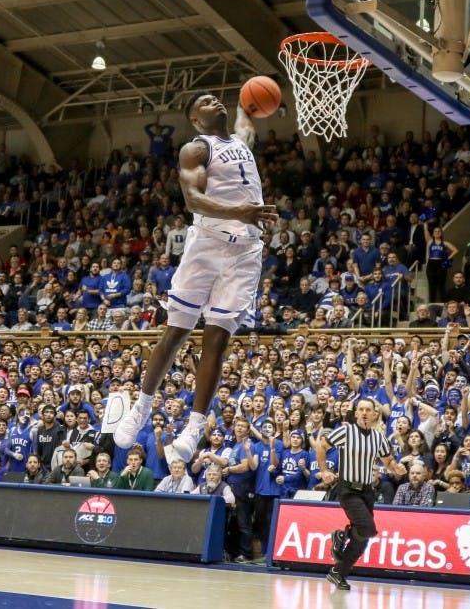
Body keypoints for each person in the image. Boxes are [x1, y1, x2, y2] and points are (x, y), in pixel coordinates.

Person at [114, 88, 278, 463]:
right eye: (204, 103)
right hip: (207, 244)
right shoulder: (195, 149)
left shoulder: (240, 139)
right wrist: (242, 210)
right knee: (177, 331)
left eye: (216, 99)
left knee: (217, 340)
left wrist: (254, 97)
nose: (214, 102)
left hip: (246, 250)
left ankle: (193, 426)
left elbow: (245, 118)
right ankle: (141, 406)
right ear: (194, 119)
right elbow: (193, 199)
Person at [315, 399, 406, 591]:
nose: (364, 413)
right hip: (348, 489)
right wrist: (324, 470)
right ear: (356, 414)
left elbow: (388, 460)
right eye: (361, 410)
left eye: (368, 410)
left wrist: (395, 467)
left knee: (365, 536)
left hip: (367, 490)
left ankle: (338, 572)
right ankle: (342, 535)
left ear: (375, 415)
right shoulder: (345, 431)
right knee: (367, 528)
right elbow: (320, 446)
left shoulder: (378, 437)